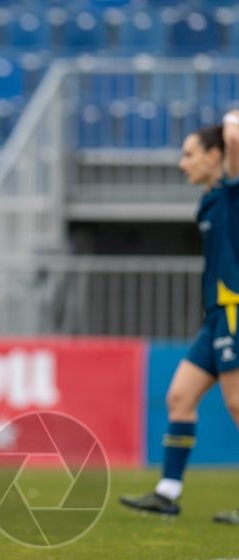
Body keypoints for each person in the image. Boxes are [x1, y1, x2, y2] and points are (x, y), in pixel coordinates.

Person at [120, 117, 239, 525]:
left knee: (238, 403)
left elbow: (236, 136)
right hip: (216, 317)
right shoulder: (210, 199)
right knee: (179, 398)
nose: (181, 163)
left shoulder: (231, 192)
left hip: (234, 309)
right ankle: (167, 494)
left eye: (188, 155)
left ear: (214, 156)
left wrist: (230, 121)